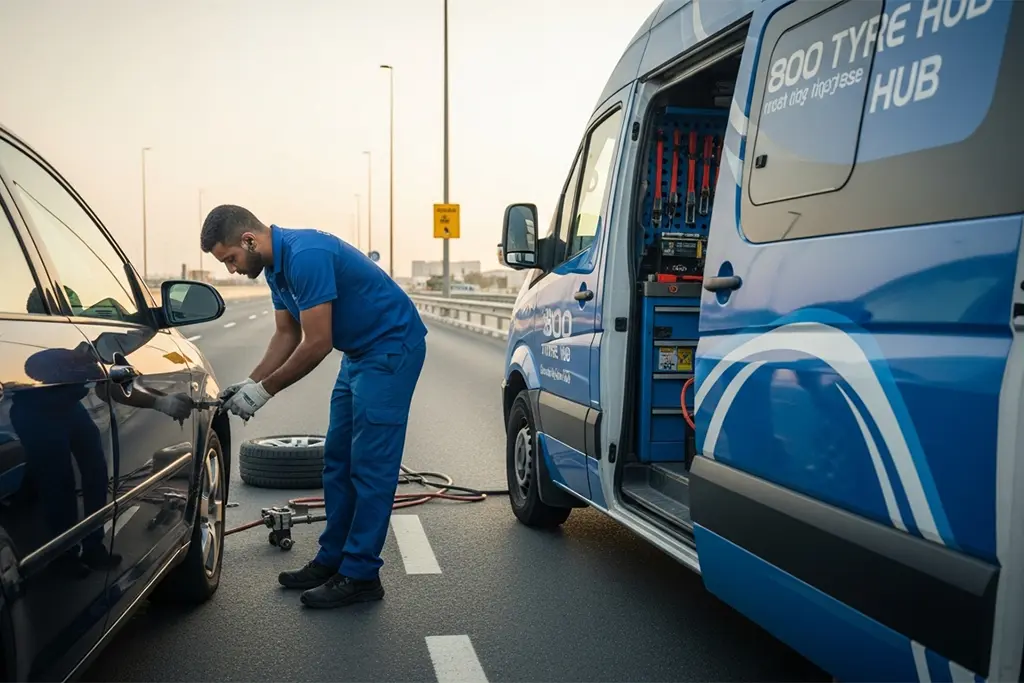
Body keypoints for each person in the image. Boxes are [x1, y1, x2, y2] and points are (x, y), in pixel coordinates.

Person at [200, 204, 427, 609]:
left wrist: (265, 391)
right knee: (337, 460)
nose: (232, 270)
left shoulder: (306, 256)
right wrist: (250, 383)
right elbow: (286, 336)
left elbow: (317, 342)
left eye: (231, 259)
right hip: (358, 354)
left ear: (249, 240)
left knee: (370, 465)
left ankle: (360, 575)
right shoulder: (275, 270)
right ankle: (332, 559)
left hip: (391, 348)